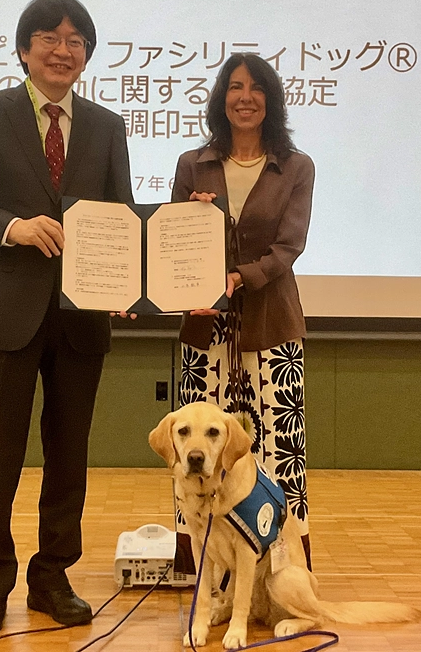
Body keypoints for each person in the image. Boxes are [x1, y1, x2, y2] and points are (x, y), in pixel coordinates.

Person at [0, 0, 133, 636]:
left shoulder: (107, 126)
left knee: (68, 454)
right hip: (6, 312)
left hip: (81, 318)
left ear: (87, 55)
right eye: (49, 37)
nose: (62, 50)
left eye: (76, 41)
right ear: (24, 49)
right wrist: (13, 227)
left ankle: (53, 576)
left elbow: (122, 215)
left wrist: (130, 280)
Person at [172, 53, 315, 570]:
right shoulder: (194, 164)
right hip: (205, 325)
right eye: (234, 87)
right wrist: (194, 218)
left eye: (256, 88)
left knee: (277, 444)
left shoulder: (296, 167)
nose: (245, 97)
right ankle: (202, 564)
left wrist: (240, 277)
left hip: (272, 322)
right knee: (195, 444)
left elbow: (289, 246)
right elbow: (175, 243)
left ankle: (282, 559)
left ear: (271, 100)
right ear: (220, 98)